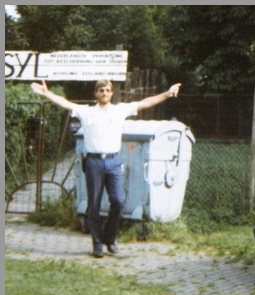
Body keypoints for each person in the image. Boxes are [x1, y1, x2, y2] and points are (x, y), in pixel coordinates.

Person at [31, 79, 181, 258]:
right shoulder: (86, 112)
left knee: (117, 200)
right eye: (101, 90)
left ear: (111, 93)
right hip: (94, 163)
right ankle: (97, 244)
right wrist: (46, 94)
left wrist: (167, 93)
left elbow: (144, 103)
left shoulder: (119, 110)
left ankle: (109, 239)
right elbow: (65, 103)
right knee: (93, 204)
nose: (104, 93)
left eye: (107, 90)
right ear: (96, 93)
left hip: (114, 162)